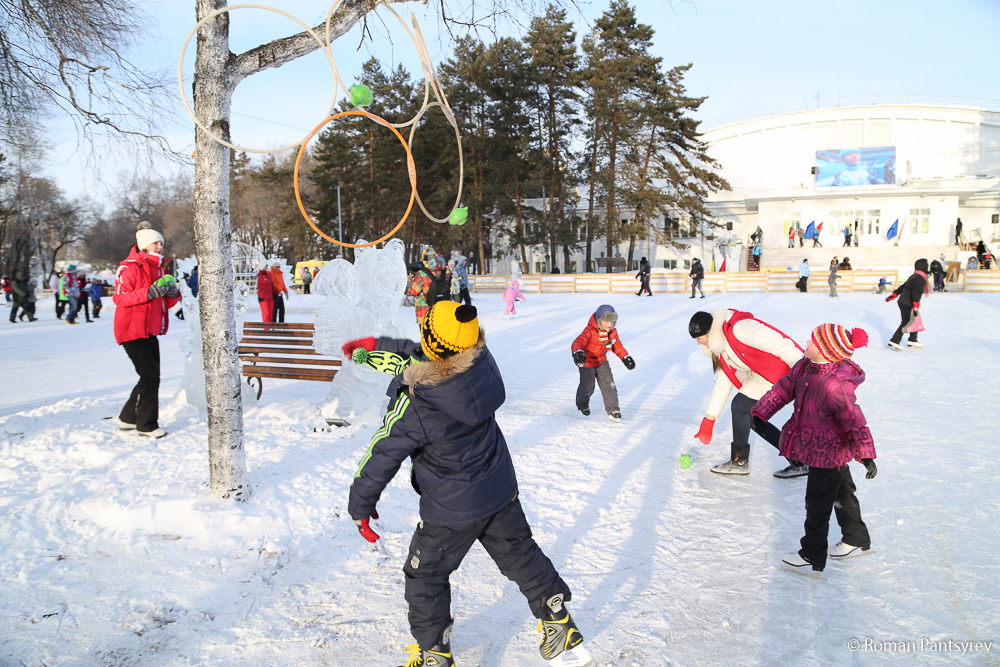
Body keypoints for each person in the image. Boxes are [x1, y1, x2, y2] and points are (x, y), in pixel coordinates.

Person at [344, 302, 587, 667]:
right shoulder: (481, 363)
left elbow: (382, 452)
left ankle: (434, 654)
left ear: (431, 341)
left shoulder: (416, 403)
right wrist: (378, 345)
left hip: (450, 509)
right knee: (519, 552)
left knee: (424, 574)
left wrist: (360, 506)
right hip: (499, 489)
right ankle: (557, 617)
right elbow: (428, 358)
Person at [752, 324, 877, 576]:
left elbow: (853, 419)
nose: (807, 343)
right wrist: (761, 412)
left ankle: (812, 554)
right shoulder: (803, 367)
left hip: (827, 451)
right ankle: (856, 538)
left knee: (817, 503)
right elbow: (784, 388)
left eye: (812, 341)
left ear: (825, 350)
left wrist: (865, 454)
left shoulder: (835, 384)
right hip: (818, 446)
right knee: (842, 493)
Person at [688, 309, 808, 478]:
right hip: (765, 378)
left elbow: (781, 345)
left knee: (740, 407)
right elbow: (724, 382)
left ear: (709, 332)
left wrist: (806, 373)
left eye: (699, 338)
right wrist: (710, 417)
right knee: (752, 417)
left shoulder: (739, 329)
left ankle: (739, 462)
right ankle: (798, 461)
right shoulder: (722, 348)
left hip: (783, 376)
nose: (699, 343)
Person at [113, 221, 180, 438]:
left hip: (150, 330)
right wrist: (149, 292)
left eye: (161, 243)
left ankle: (128, 418)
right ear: (143, 245)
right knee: (150, 376)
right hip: (131, 329)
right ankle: (146, 425)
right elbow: (119, 298)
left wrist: (171, 294)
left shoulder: (159, 268)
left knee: (150, 376)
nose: (160, 247)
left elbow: (163, 304)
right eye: (155, 243)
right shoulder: (129, 267)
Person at [572, 305, 635, 422]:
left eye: (612, 321)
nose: (610, 324)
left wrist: (625, 357)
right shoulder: (590, 331)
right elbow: (578, 342)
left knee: (609, 384)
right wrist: (577, 352)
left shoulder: (612, 332)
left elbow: (617, 345)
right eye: (606, 321)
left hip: (601, 360)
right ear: (599, 320)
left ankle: (613, 410)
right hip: (587, 362)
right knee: (588, 387)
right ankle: (582, 405)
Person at [887, 259, 929, 351]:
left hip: (904, 301)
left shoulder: (915, 276)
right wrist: (916, 303)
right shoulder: (919, 278)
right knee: (906, 321)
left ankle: (912, 339)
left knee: (915, 319)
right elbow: (916, 291)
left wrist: (894, 294)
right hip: (908, 302)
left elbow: (904, 286)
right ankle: (895, 340)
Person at [406, 248, 445, 324]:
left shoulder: (422, 273)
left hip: (425, 310)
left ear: (427, 259)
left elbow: (412, 291)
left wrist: (413, 277)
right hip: (442, 310)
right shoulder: (446, 271)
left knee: (426, 335)